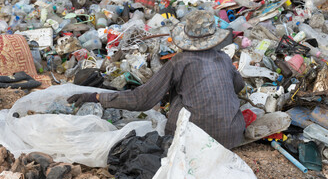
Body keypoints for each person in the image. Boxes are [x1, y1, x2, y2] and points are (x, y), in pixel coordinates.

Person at [68, 10, 246, 149]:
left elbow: (142, 99)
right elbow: (238, 86)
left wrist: (97, 97)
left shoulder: (180, 61)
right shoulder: (223, 58)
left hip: (192, 137)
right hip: (233, 136)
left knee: (178, 99)